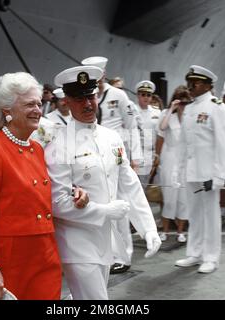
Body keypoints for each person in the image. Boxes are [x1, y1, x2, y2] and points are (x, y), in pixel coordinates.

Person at [0, 72, 89, 300]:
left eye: (39, 104)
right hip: (9, 262)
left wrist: (72, 192)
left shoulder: (37, 149)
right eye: (30, 104)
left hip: (44, 256)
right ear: (7, 111)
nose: (38, 110)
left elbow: (38, 192)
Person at [45, 65, 161, 299]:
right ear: (67, 101)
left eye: (91, 96)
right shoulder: (59, 146)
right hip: (76, 244)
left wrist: (148, 228)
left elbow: (129, 184)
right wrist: (106, 211)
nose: (88, 104)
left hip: (104, 241)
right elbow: (57, 203)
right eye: (79, 99)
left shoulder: (112, 138)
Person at [81, 56, 142, 274]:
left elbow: (132, 125)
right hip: (94, 157)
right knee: (101, 204)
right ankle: (106, 252)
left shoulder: (118, 95)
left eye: (98, 75)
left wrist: (137, 158)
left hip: (116, 156)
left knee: (121, 207)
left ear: (104, 74)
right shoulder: (86, 95)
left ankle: (124, 256)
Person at [174, 65, 225, 274]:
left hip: (208, 173)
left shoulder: (217, 107)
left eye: (196, 83)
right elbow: (183, 143)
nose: (191, 86)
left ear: (208, 85)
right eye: (190, 82)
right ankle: (195, 253)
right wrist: (178, 170)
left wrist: (219, 176)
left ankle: (211, 257)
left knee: (210, 214)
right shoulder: (189, 108)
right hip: (192, 172)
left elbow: (224, 144)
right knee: (195, 213)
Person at [154, 85, 190, 244]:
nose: (183, 105)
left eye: (185, 102)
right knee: (169, 196)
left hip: (185, 160)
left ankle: (180, 231)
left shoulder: (191, 116)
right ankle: (166, 230)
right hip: (169, 159)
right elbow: (161, 128)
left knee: (183, 197)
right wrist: (171, 109)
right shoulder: (166, 114)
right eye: (180, 102)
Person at [134, 80, 161, 183]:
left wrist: (157, 155)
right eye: (143, 94)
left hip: (151, 154)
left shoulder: (157, 112)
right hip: (136, 153)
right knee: (136, 184)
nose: (146, 97)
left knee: (147, 185)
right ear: (138, 95)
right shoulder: (132, 111)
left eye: (149, 95)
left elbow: (159, 134)